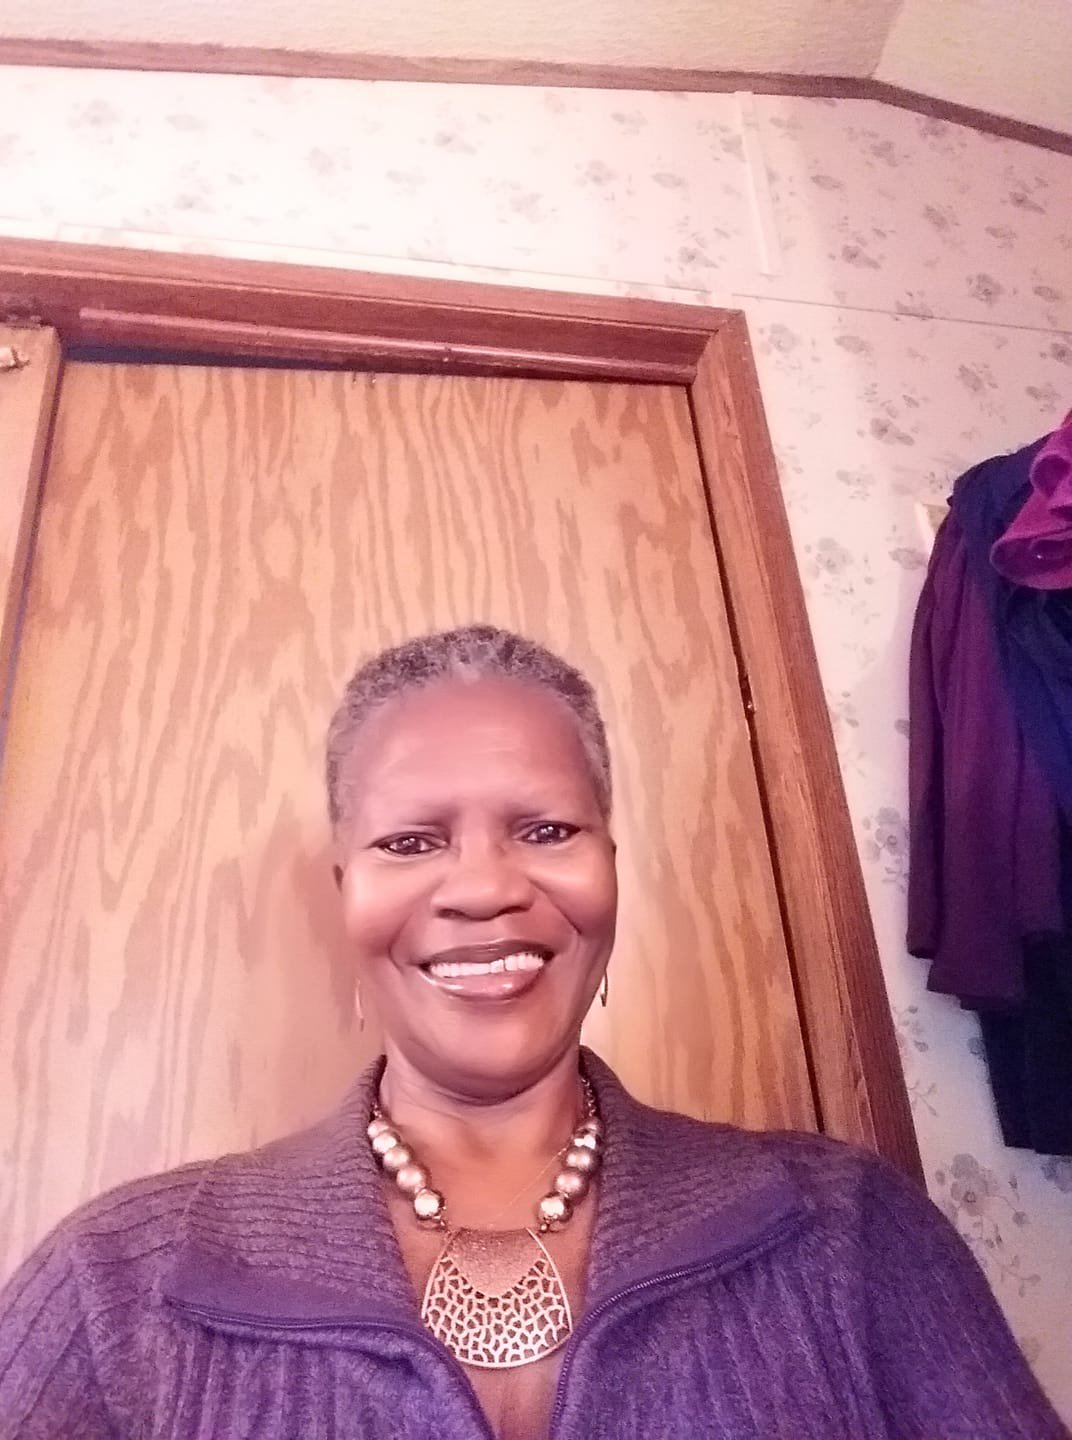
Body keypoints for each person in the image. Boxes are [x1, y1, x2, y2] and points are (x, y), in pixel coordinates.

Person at [0, 623, 1066, 1440]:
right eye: (410, 842)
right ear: (343, 892)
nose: (483, 889)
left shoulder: (849, 1229)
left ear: (611, 869)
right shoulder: (111, 1280)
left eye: (547, 830)